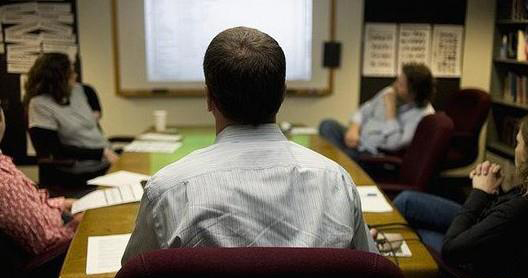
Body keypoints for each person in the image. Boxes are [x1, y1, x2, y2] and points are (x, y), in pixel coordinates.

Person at [122, 27, 378, 263]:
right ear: (282, 94)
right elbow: (371, 270)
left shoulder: (167, 190)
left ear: (209, 98)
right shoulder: (336, 182)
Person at [393, 116, 528, 277]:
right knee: (407, 201)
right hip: (483, 227)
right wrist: (491, 187)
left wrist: (480, 192)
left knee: (412, 231)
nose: (516, 148)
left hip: (473, 265)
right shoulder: (522, 192)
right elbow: (501, 217)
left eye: (518, 142)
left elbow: (451, 249)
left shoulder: (517, 209)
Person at [0, 103, 82, 256]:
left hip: (57, 224)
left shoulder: (3, 163)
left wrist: (60, 204)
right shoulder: (4, 183)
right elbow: (45, 244)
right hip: (55, 257)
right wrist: (77, 225)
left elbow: (30, 205)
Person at [319, 63, 435, 162]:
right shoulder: (389, 92)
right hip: (358, 140)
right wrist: (354, 129)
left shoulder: (423, 116)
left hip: (372, 155)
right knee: (327, 125)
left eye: (400, 85)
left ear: (413, 93)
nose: (394, 86)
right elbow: (364, 110)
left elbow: (394, 145)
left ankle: (340, 164)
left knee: (340, 157)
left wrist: (391, 111)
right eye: (397, 80)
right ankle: (340, 162)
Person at [24, 53, 118, 170]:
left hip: (107, 158)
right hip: (81, 167)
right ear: (58, 78)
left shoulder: (81, 90)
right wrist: (101, 153)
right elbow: (56, 151)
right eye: (71, 73)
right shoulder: (39, 104)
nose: (75, 75)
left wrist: (106, 152)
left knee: (144, 173)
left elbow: (96, 114)